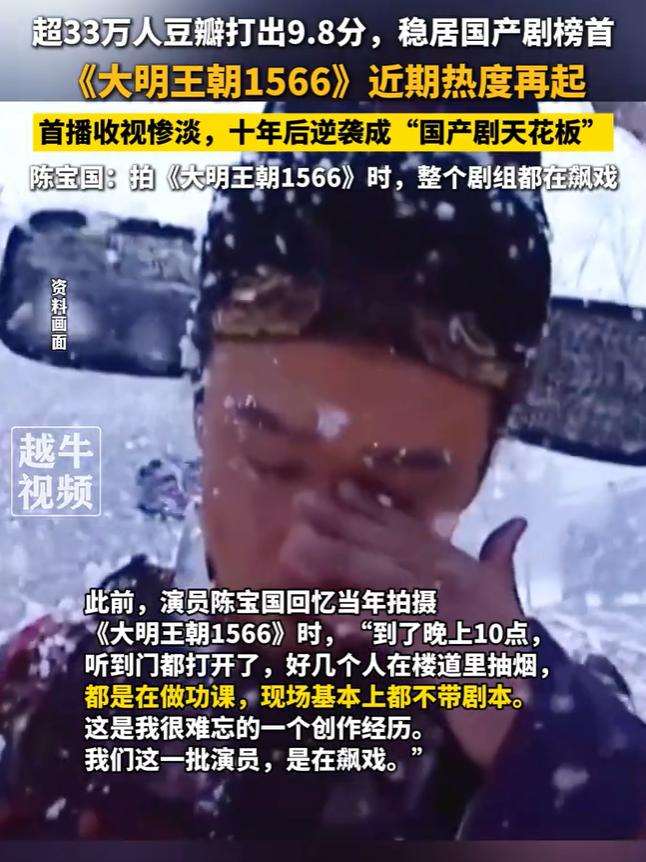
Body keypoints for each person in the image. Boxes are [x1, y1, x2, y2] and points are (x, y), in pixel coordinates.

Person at [0, 147, 645, 842]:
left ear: (481, 471)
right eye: (270, 461)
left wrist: (548, 748)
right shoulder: (51, 694)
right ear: (200, 407)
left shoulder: (548, 749)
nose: (309, 553)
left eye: (397, 490)